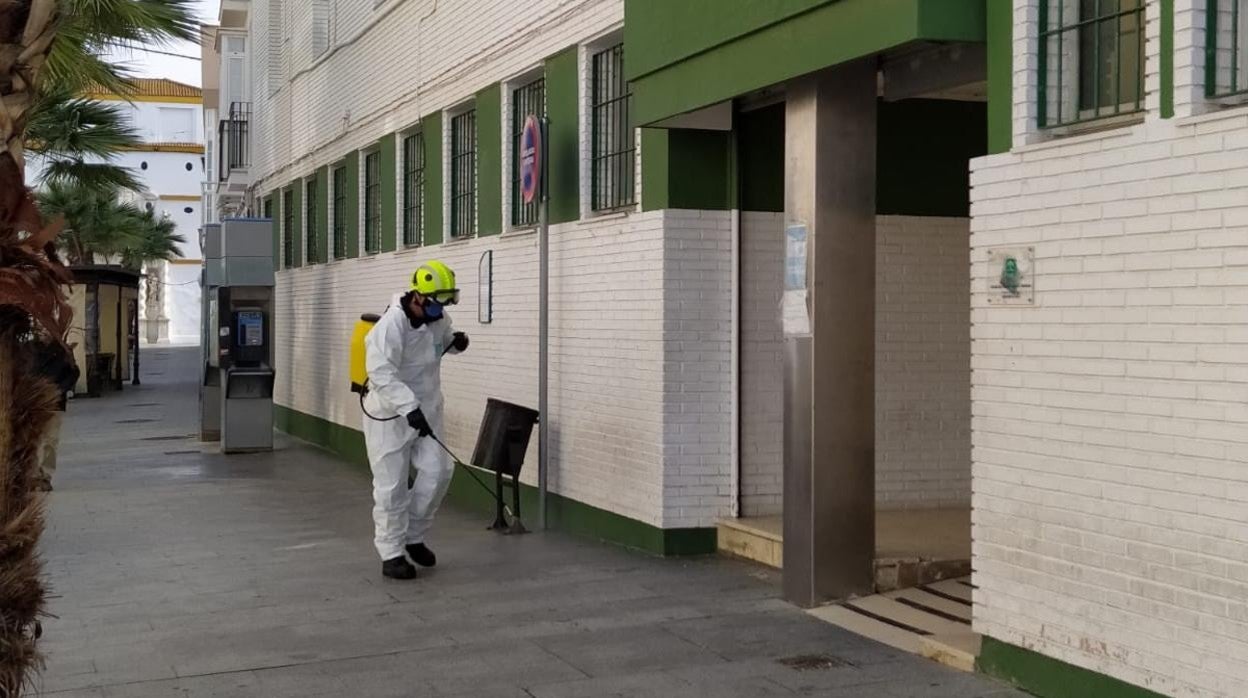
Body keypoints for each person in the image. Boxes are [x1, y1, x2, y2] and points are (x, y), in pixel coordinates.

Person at [363, 260, 469, 580]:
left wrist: (455, 343)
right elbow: (380, 372)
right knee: (392, 485)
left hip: (428, 410)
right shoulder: (390, 326)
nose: (442, 311)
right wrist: (409, 407)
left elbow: (442, 339)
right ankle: (391, 551)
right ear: (419, 298)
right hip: (391, 416)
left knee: (438, 471)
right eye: (438, 304)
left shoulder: (436, 317)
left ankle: (414, 536)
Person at [31, 335, 80, 492]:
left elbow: (73, 373)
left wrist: (59, 391)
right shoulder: (31, 349)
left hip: (54, 403)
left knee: (50, 441)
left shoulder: (62, 351)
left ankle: (45, 476)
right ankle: (33, 474)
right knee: (32, 440)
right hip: (32, 402)